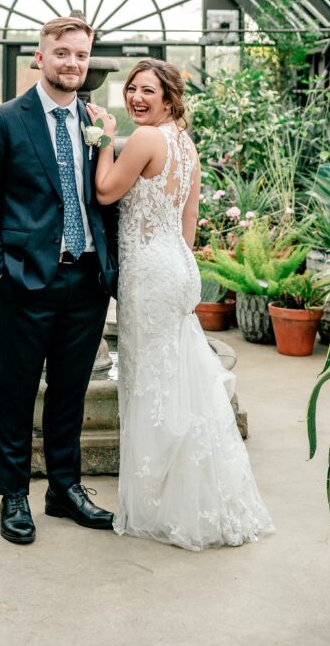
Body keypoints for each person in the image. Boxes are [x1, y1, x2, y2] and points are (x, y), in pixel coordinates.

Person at [87, 58, 273, 550]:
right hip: (175, 266)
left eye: (147, 91)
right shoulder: (185, 145)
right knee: (180, 377)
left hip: (148, 273)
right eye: (130, 90)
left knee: (150, 380)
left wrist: (105, 137)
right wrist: (175, 265)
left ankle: (161, 499)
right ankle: (193, 490)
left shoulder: (145, 139)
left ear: (170, 99)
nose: (135, 99)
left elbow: (106, 192)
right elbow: (188, 223)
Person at [0, 16, 118, 545]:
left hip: (87, 281)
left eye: (80, 55)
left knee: (71, 392)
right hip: (26, 279)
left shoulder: (99, 121)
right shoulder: (5, 120)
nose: (72, 63)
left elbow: (105, 197)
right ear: (40, 55)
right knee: (15, 391)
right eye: (62, 53)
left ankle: (64, 488)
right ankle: (13, 495)